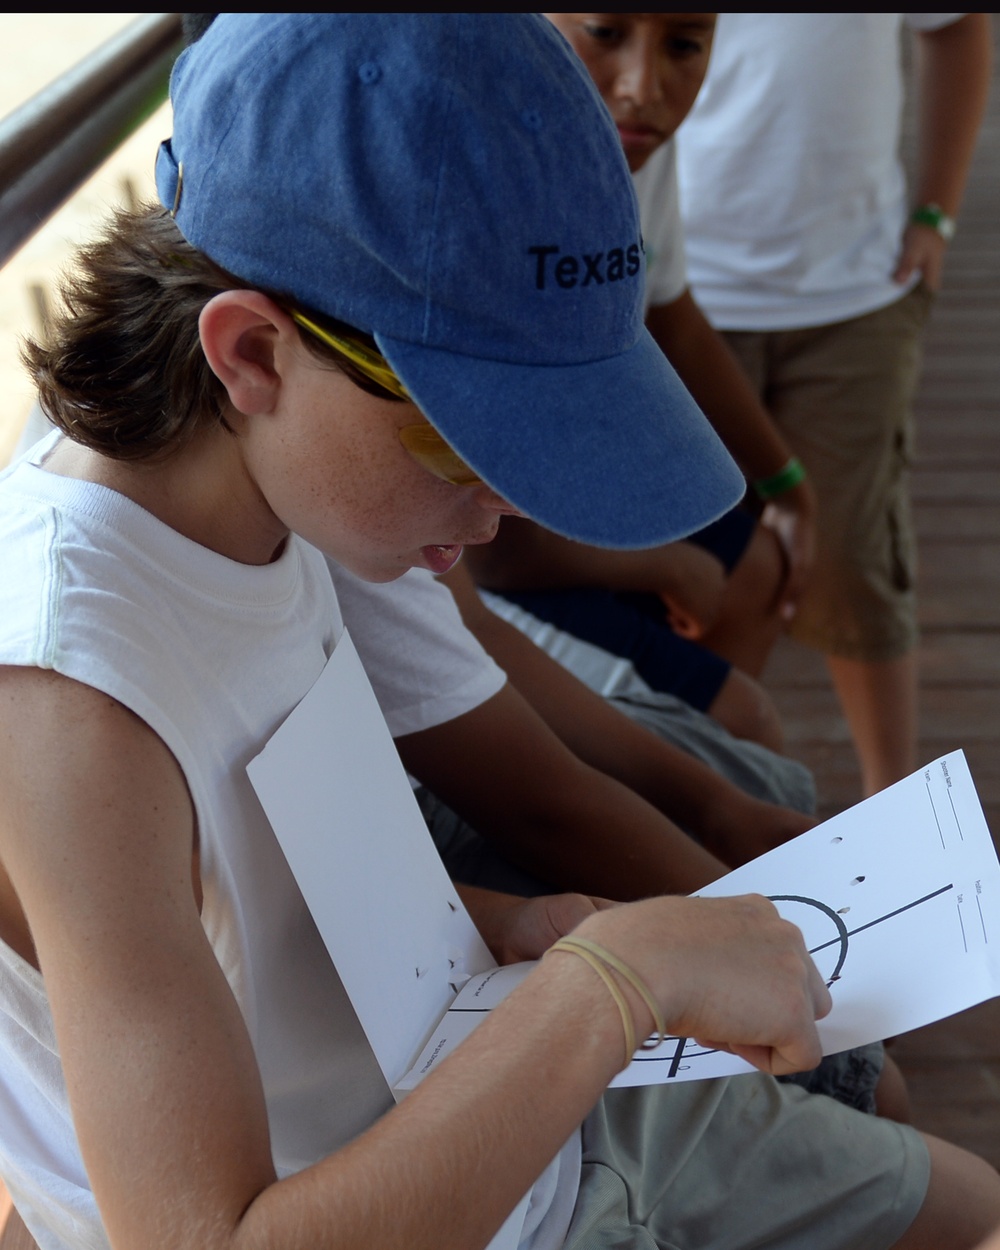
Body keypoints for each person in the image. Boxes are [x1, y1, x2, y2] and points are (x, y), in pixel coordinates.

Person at [1, 14, 998, 1250]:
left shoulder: (271, 489)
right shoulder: (69, 695)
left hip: (487, 1084)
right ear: (252, 350)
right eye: (464, 441)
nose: (510, 504)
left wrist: (507, 923)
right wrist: (615, 986)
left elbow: (252, 919)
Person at [465, 12, 819, 752]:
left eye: (684, 45)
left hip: (550, 502)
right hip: (452, 564)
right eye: (603, 32)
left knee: (758, 565)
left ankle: (685, 765)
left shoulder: (628, 152)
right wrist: (665, 561)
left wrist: (785, 482)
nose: (642, 88)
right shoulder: (480, 180)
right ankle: (685, 772)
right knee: (747, 724)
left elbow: (673, 312)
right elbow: (485, 547)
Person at [675, 13, 993, 796]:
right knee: (705, 570)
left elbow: (956, 28)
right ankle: (698, 794)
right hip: (679, 299)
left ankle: (898, 803)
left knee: (855, 561)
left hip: (855, 297)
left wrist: (936, 215)